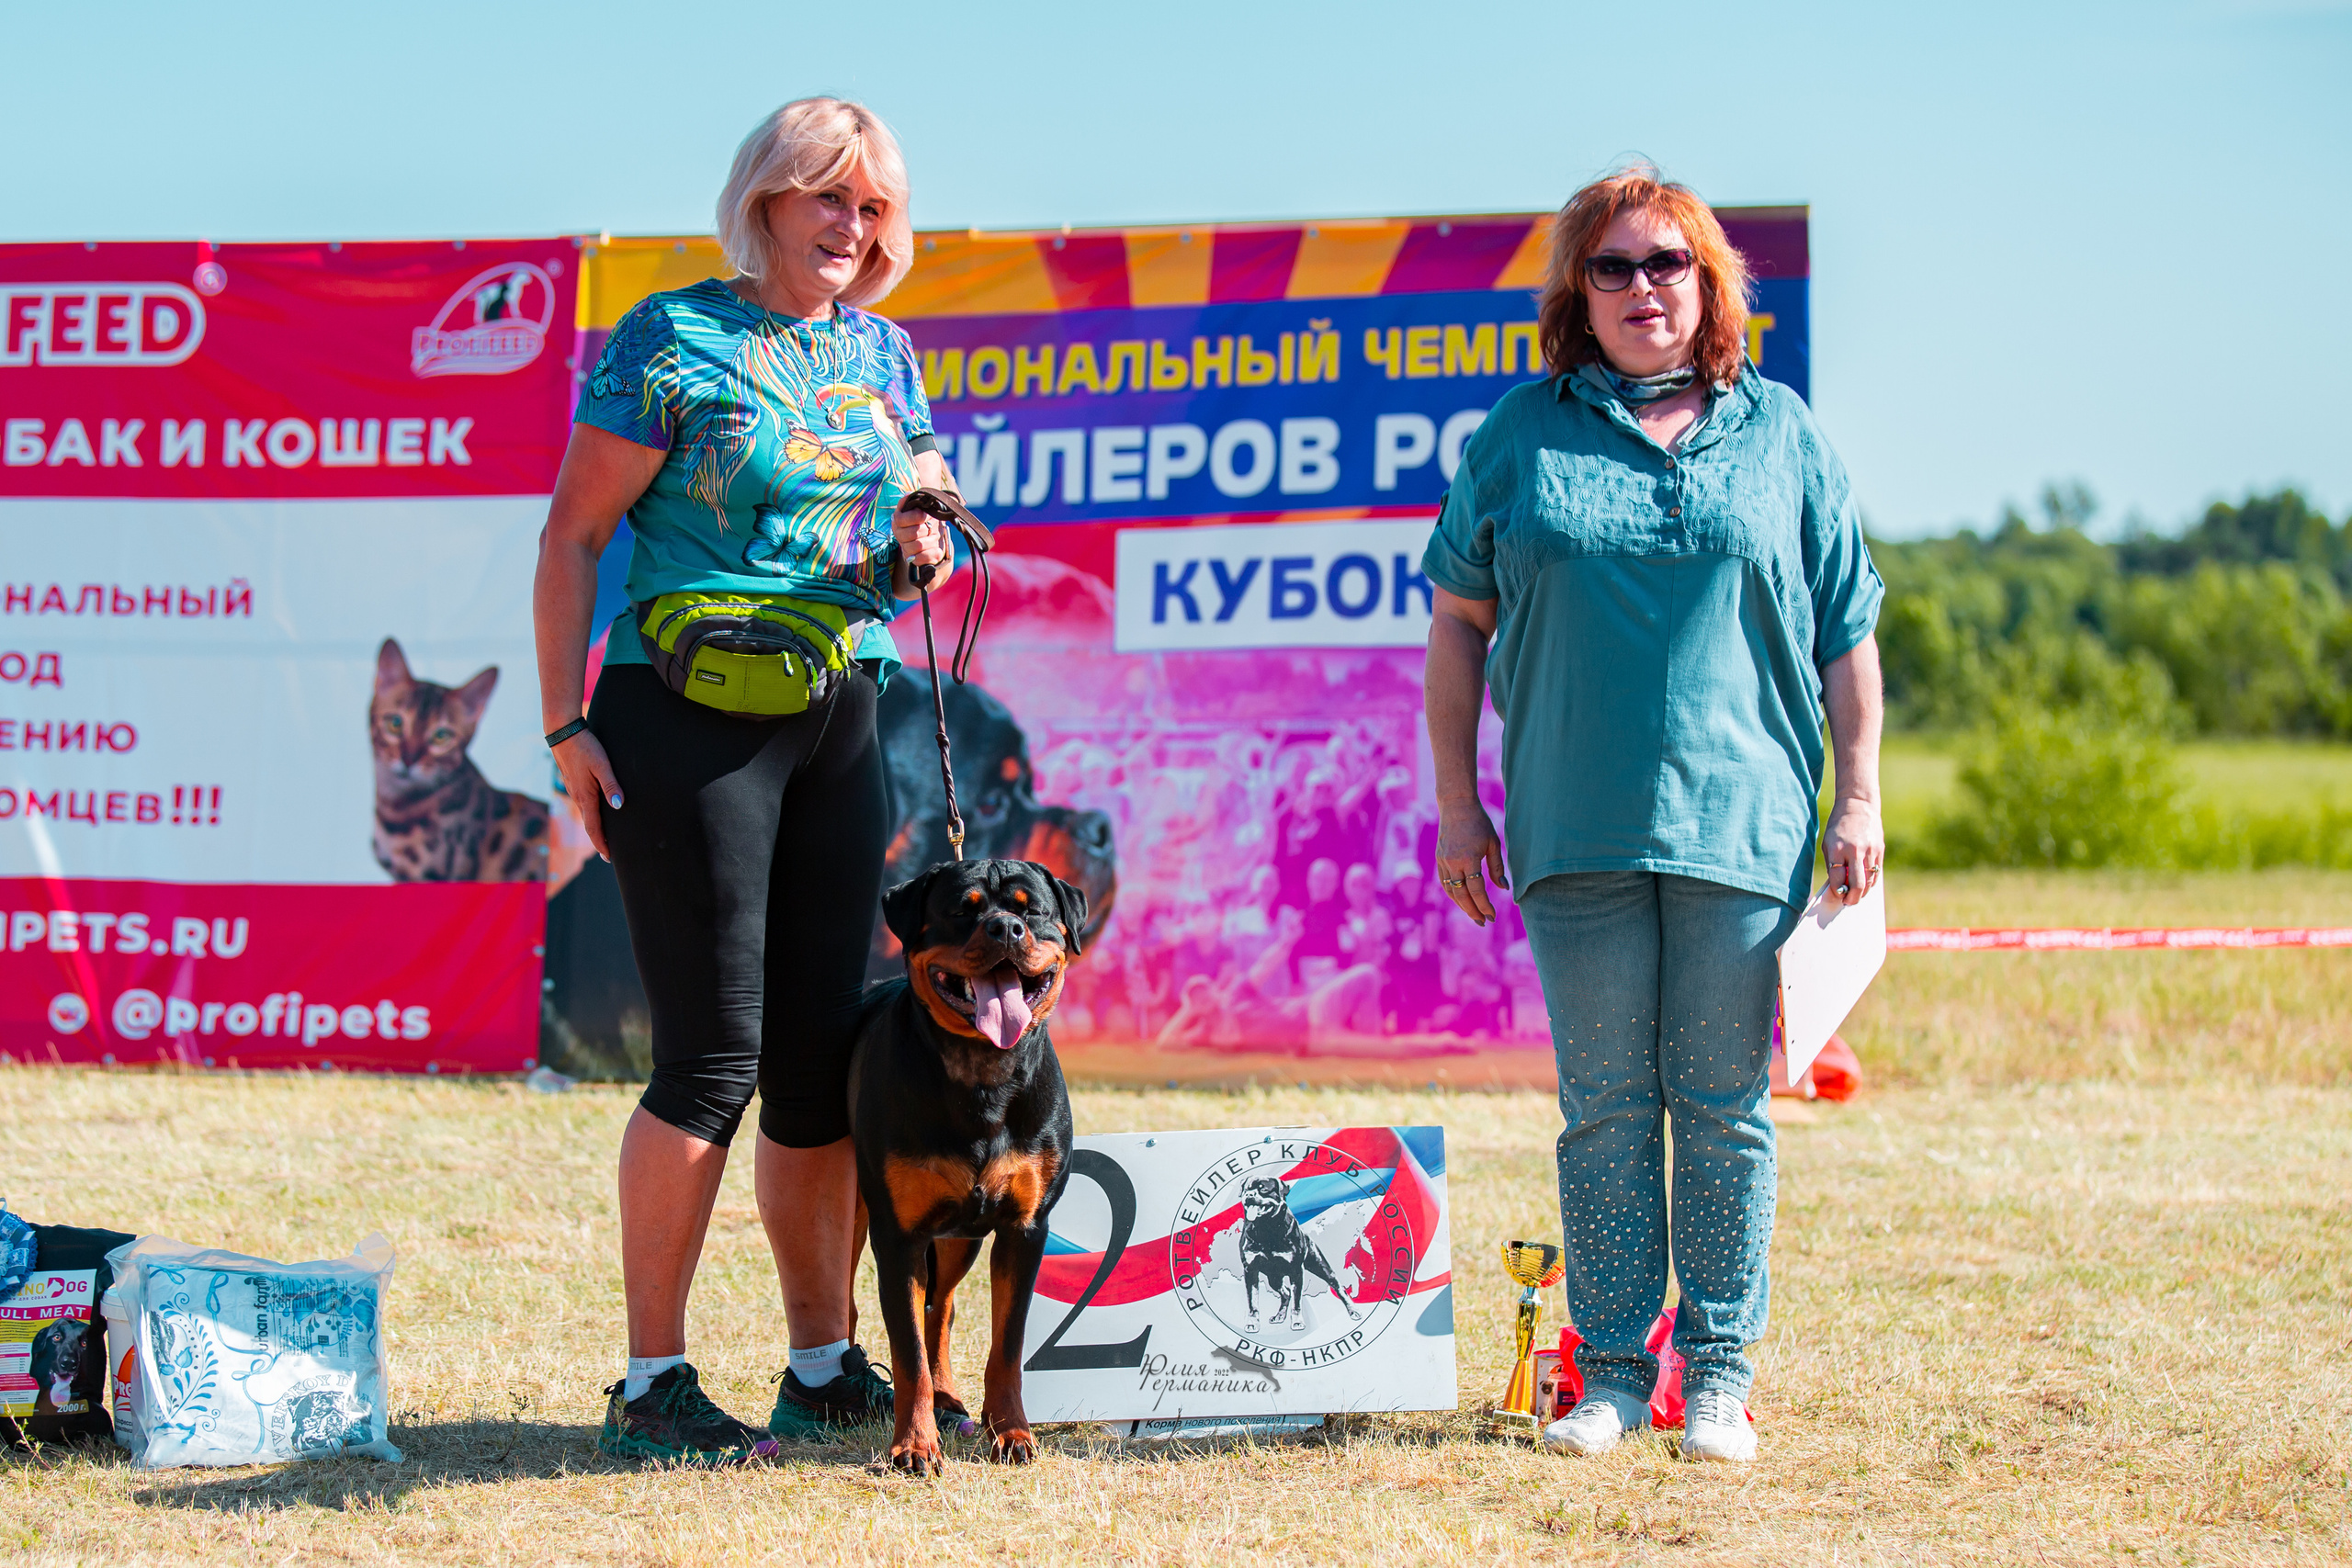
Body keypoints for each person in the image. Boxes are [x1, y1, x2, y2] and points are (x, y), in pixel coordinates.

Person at [1421, 166, 1884, 1465]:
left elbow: (1849, 630)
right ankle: (1613, 1377)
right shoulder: (1520, 434)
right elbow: (1458, 628)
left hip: (1743, 829)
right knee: (1609, 1107)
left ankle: (1720, 1377)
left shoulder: (1782, 433)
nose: (1642, 288)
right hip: (1573, 830)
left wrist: (1861, 794)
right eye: (1613, 267)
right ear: (1580, 291)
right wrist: (1460, 806)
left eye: (1667, 263)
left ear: (1712, 283)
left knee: (1723, 1103)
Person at [531, 98, 961, 1465]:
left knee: (821, 1059)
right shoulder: (673, 335)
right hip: (681, 714)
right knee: (710, 1057)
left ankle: (822, 1366)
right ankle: (650, 1384)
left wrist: (928, 530)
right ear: (765, 202)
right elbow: (573, 534)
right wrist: (562, 729)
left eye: (874, 206)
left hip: (840, 712)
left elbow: (921, 483)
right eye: (826, 197)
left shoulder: (884, 351)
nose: (852, 226)